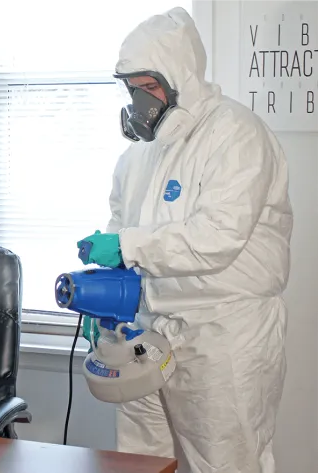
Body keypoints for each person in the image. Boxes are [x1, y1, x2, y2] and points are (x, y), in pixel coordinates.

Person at [75, 7, 293, 473]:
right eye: (132, 87)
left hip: (223, 334)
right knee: (140, 459)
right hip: (148, 330)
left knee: (224, 461)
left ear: (182, 78)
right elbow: (120, 227)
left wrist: (128, 247)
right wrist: (111, 303)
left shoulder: (235, 135)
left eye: (150, 86)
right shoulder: (137, 156)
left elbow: (217, 238)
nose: (140, 100)